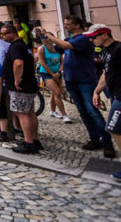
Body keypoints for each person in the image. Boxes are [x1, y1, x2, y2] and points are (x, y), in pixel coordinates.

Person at [38, 16, 115, 158]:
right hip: (71, 80)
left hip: (85, 80)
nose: (65, 26)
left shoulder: (84, 38)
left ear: (77, 25)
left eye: (68, 24)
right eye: (65, 24)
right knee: (83, 112)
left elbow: (66, 46)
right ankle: (94, 138)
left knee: (92, 110)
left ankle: (106, 141)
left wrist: (49, 35)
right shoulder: (69, 39)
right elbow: (52, 49)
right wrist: (43, 37)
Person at [1, 24, 41, 154]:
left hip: (20, 86)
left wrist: (16, 80)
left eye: (4, 34)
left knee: (21, 113)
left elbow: (18, 63)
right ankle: (35, 140)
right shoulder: (22, 44)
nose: (2, 37)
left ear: (12, 33)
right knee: (30, 113)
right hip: (29, 84)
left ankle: (29, 142)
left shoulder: (16, 46)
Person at [90, 24, 121, 180]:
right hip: (114, 94)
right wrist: (97, 91)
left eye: (94, 36)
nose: (92, 40)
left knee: (113, 128)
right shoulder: (104, 51)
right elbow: (105, 73)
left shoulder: (118, 49)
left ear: (104, 35)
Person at [36, 33, 70, 123]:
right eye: (46, 38)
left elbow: (62, 61)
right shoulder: (41, 49)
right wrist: (52, 73)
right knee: (57, 93)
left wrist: (59, 72)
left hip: (57, 72)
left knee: (53, 93)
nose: (48, 40)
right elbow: (43, 63)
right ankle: (64, 115)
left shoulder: (58, 48)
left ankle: (52, 111)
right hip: (46, 73)